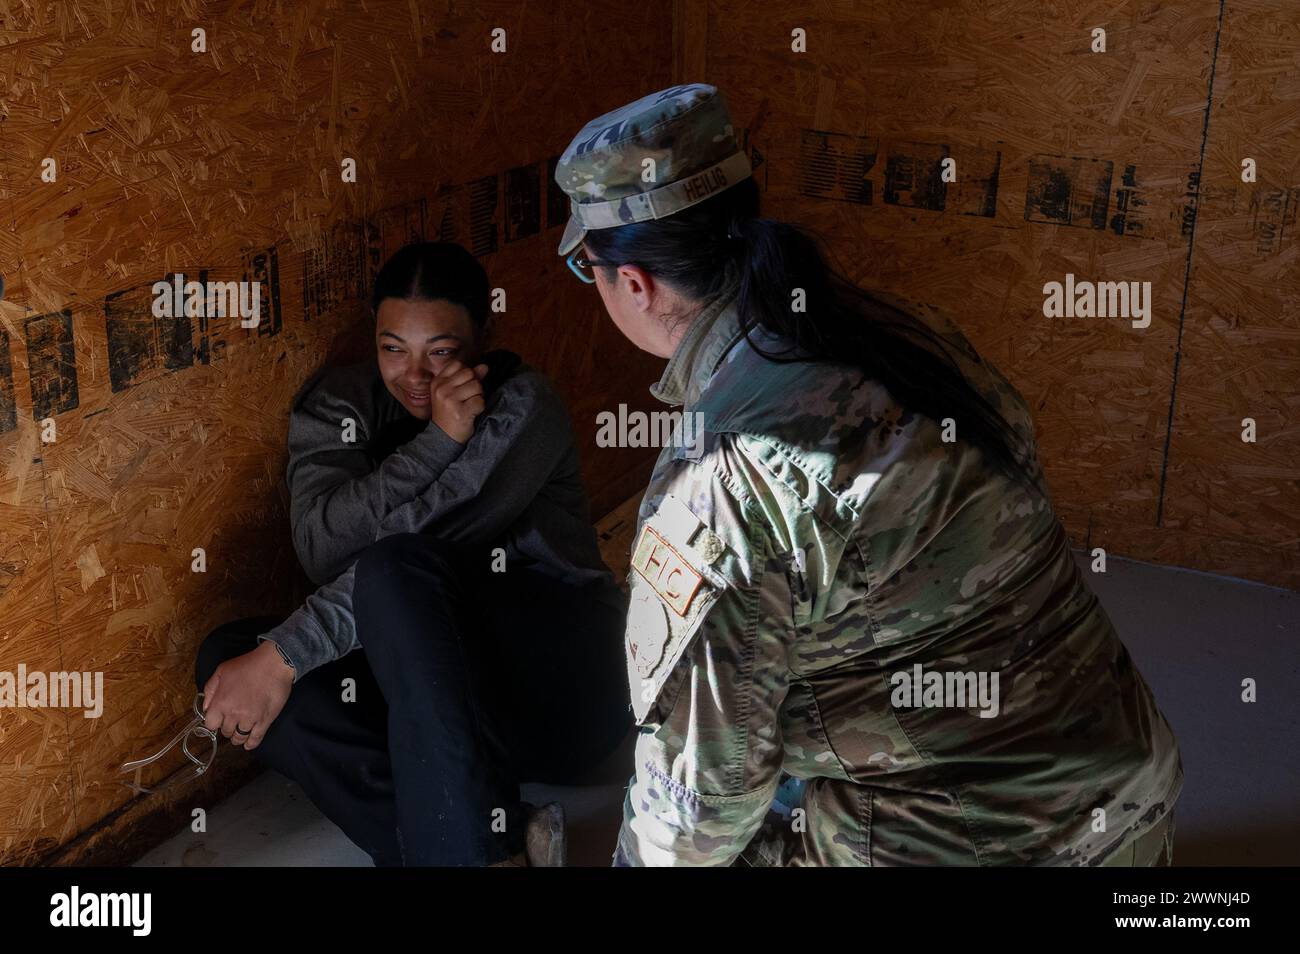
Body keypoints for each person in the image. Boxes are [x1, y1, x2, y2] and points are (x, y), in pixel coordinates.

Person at [551, 84, 1184, 866]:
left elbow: (698, 810)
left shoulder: (717, 475)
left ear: (635, 283)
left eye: (590, 268)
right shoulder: (902, 336)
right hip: (1129, 795)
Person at [194, 241, 630, 866]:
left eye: (442, 352)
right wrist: (436, 442)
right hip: (440, 698)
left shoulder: (522, 406)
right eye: (393, 348)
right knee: (231, 656)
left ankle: (462, 851)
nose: (415, 377)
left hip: (565, 686)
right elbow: (320, 552)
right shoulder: (339, 407)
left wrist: (286, 655)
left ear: (484, 334)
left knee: (391, 574)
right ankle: (498, 841)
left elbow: (421, 544)